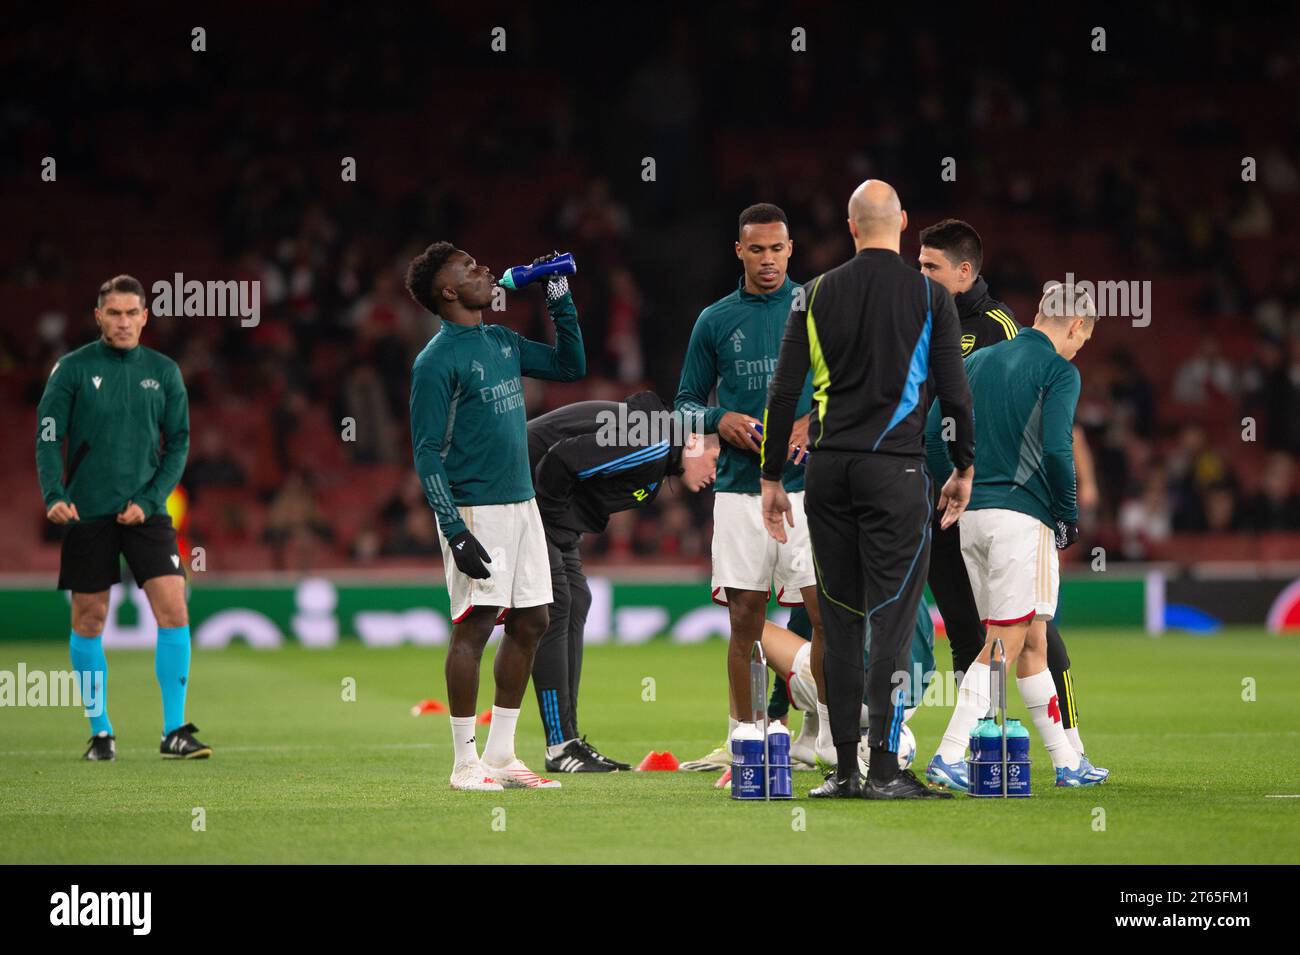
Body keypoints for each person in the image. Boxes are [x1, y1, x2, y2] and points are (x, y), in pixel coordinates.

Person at [760, 180, 974, 800]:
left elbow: (782, 394)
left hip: (827, 474)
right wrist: (963, 467)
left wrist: (773, 478)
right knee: (892, 618)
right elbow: (955, 394)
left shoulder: (812, 294)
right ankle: (885, 765)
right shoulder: (931, 295)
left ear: (852, 227)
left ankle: (845, 770)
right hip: (896, 472)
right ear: (902, 222)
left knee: (843, 621)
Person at [406, 244, 585, 791]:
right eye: (470, 268)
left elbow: (570, 366)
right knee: (476, 628)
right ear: (448, 292)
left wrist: (558, 293)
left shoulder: (500, 340)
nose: (485, 269)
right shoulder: (436, 361)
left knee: (533, 620)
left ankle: (503, 755)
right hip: (474, 508)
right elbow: (426, 451)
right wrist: (453, 528)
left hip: (521, 502)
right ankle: (465, 764)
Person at [918, 219, 1097, 757]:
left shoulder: (989, 343)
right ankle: (964, 753)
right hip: (990, 509)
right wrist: (1066, 512)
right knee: (996, 634)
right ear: (1078, 328)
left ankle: (1068, 752)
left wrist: (959, 477)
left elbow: (940, 428)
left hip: (974, 505)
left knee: (1031, 634)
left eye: (931, 267)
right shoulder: (1056, 370)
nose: (920, 275)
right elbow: (1055, 445)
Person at [674, 203, 833, 773]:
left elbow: (850, 390)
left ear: (791, 249)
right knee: (745, 618)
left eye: (777, 249)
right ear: (738, 251)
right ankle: (744, 738)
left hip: (812, 492)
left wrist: (810, 423)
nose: (768, 260)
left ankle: (823, 734)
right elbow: (682, 404)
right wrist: (718, 420)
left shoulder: (817, 309)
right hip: (740, 493)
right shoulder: (715, 320)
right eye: (756, 249)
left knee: (823, 616)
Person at [36, 275, 205, 761]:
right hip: (87, 511)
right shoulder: (71, 369)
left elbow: (179, 443)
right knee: (89, 619)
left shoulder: (164, 371)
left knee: (174, 608)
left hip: (146, 512)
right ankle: (101, 732)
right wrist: (54, 493)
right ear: (99, 316)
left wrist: (151, 499)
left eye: (133, 312)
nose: (124, 321)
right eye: (115, 313)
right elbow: (48, 435)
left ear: (145, 316)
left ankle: (175, 731)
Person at [527, 391, 721, 772]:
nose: (714, 474)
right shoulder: (652, 441)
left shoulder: (657, 444)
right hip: (518, 486)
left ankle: (567, 741)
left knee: (575, 599)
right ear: (695, 442)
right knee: (558, 604)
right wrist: (552, 522)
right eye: (715, 461)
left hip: (538, 496)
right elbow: (559, 459)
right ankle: (559, 746)